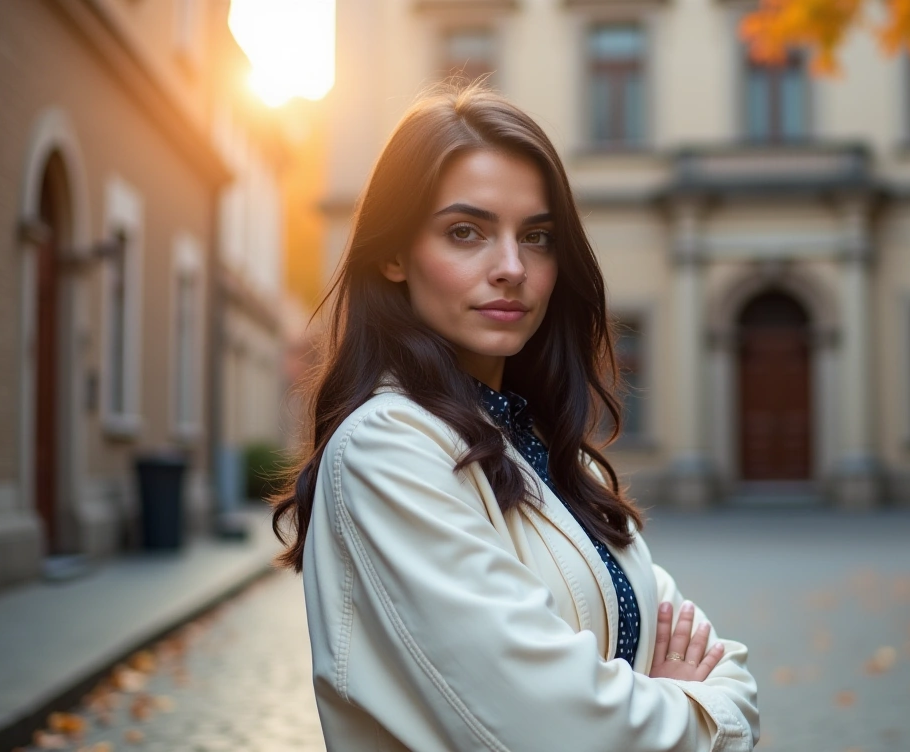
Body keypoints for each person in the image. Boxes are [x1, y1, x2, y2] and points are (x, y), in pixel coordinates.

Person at [272, 82, 759, 751]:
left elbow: (714, 653)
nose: (511, 268)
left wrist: (666, 700)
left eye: (536, 236)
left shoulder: (554, 453)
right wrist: (700, 711)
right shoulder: (387, 449)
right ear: (391, 254)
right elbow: (555, 730)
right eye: (465, 232)